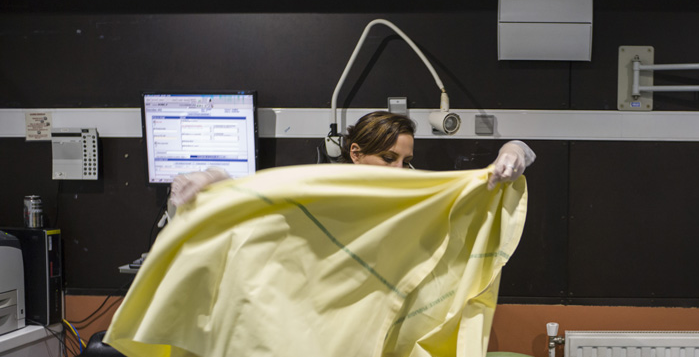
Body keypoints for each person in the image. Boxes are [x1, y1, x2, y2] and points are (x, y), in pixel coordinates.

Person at [169, 111, 535, 205]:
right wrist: (213, 179)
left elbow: (482, 182)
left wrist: (513, 151)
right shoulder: (321, 188)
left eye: (405, 161)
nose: (399, 170)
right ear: (356, 153)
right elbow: (256, 196)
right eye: (388, 158)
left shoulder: (416, 192)